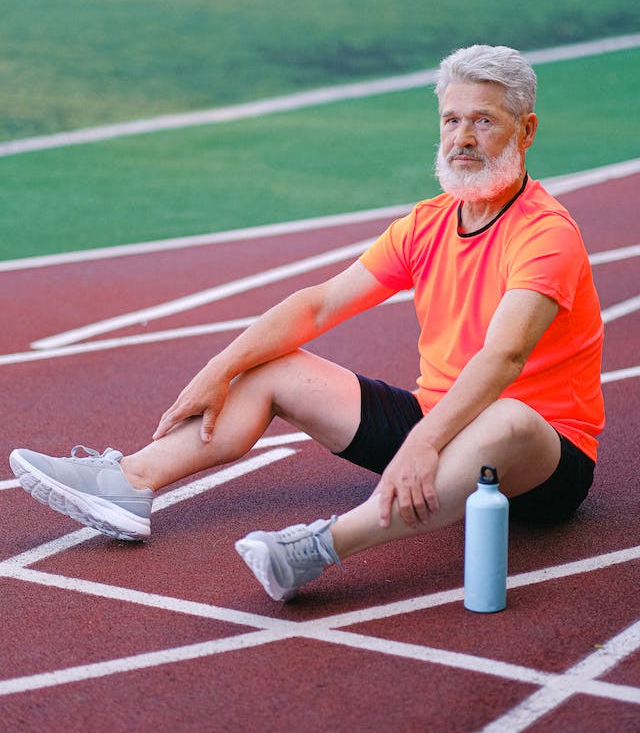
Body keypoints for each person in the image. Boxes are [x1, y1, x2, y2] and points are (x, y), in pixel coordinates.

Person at [10, 44, 605, 602]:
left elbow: (502, 359)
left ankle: (320, 547)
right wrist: (221, 367)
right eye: (451, 121)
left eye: (484, 121)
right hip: (438, 422)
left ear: (525, 131)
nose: (463, 139)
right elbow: (318, 305)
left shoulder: (544, 234)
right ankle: (130, 483)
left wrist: (421, 442)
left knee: (507, 418)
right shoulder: (427, 223)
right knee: (270, 366)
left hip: (542, 459)